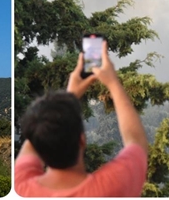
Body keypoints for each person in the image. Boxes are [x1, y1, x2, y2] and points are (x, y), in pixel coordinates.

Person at [15, 40, 149, 197]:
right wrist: (113, 83)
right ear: (82, 140)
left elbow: (35, 138)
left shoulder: (21, 187)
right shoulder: (111, 188)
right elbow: (136, 142)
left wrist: (66, 102)